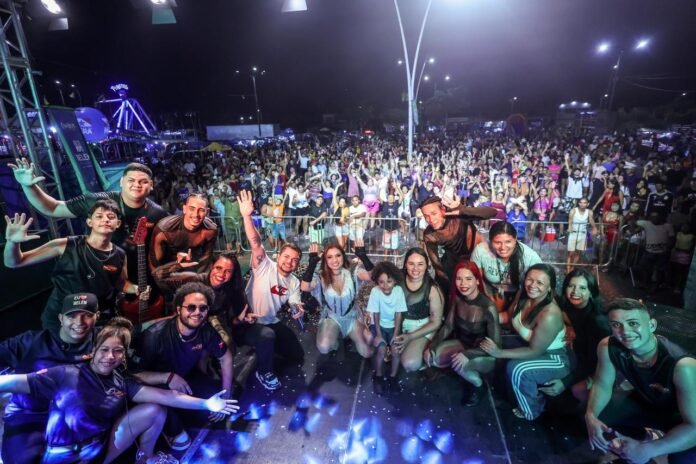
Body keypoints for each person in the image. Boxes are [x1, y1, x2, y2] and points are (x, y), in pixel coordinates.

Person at [0, 317, 238, 464]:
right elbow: (10, 382)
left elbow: (167, 396)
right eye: (104, 350)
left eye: (117, 351)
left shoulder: (121, 381)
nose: (110, 356)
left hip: (98, 452)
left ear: (124, 355)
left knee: (156, 410)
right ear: (92, 351)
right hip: (63, 457)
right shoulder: (64, 374)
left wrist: (206, 403)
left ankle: (146, 458)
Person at [8, 160, 167, 285]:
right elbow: (53, 208)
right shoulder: (94, 204)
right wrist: (29, 187)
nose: (137, 185)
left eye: (143, 181)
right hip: (94, 275)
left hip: (133, 277)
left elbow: (162, 248)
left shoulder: (158, 214)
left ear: (151, 185)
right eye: (131, 180)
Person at [585, 298, 696, 464]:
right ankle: (644, 438)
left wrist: (649, 450)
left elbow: (694, 427)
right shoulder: (607, 347)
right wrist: (591, 416)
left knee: (683, 460)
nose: (625, 331)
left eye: (633, 323)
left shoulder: (683, 366)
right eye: (616, 325)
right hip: (651, 403)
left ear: (651, 325)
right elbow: (602, 384)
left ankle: (650, 446)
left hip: (684, 419)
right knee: (599, 410)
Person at [4, 201, 145, 330]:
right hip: (62, 319)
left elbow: (120, 283)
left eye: (111, 217)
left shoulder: (120, 254)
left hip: (95, 319)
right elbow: (13, 262)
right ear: (89, 222)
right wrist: (12, 242)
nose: (105, 220)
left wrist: (136, 289)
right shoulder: (66, 244)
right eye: (99, 216)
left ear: (118, 223)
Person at [131, 282, 235, 451]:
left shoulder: (205, 330)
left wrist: (226, 393)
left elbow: (226, 357)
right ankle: (170, 429)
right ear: (179, 309)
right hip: (157, 386)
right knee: (183, 441)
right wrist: (167, 377)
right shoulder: (154, 336)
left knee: (215, 411)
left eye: (203, 308)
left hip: (187, 376)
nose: (197, 312)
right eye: (191, 307)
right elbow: (134, 374)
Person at [0, 293, 99, 464]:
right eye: (72, 316)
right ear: (61, 318)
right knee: (21, 460)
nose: (79, 322)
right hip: (30, 413)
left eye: (87, 315)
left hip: (76, 414)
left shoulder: (103, 341)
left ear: (97, 316)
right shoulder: (32, 341)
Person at [480, 263, 571, 421]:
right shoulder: (524, 294)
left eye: (540, 282)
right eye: (530, 279)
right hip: (529, 345)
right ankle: (495, 387)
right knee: (491, 338)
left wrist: (499, 352)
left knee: (516, 369)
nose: (532, 285)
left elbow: (535, 351)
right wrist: (483, 318)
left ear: (550, 288)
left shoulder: (549, 314)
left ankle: (532, 409)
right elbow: (508, 316)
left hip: (554, 357)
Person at [239, 189, 305, 391]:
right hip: (248, 322)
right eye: (286, 257)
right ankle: (264, 371)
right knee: (266, 335)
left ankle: (264, 348)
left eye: (294, 260)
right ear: (278, 256)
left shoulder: (293, 282)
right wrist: (247, 216)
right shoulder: (264, 265)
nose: (289, 262)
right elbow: (256, 242)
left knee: (297, 355)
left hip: (271, 321)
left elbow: (294, 302)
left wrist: (297, 310)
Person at [426, 260, 499, 406]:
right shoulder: (458, 299)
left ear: (477, 281)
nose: (463, 283)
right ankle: (464, 370)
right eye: (459, 279)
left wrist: (467, 354)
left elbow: (495, 346)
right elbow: (448, 326)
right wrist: (432, 346)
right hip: (463, 343)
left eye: (468, 279)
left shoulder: (488, 307)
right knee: (434, 358)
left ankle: (479, 385)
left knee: (458, 364)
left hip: (483, 353)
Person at [538, 269, 610, 406]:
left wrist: (565, 382)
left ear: (591, 292)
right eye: (571, 286)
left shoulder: (598, 321)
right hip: (576, 357)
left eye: (582, 288)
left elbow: (594, 361)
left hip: (599, 366)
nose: (575, 292)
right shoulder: (566, 305)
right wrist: (569, 324)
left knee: (576, 390)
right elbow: (549, 296)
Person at [300, 243, 373, 358]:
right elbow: (305, 287)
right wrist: (312, 263)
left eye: (338, 255)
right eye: (330, 257)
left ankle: (349, 335)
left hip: (352, 317)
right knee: (324, 347)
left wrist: (364, 257)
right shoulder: (321, 276)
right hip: (332, 318)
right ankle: (336, 339)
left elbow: (373, 276)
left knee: (367, 353)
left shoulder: (352, 272)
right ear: (325, 260)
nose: (334, 260)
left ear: (343, 256)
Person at [420, 196, 497, 294]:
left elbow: (493, 212)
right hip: (453, 262)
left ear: (442, 209)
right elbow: (437, 266)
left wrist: (463, 209)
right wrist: (450, 289)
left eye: (434, 214)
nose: (431, 219)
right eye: (426, 216)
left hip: (478, 257)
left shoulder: (458, 215)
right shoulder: (430, 234)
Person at [471, 221, 542, 323]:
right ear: (490, 241)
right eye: (497, 242)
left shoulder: (530, 257)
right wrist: (487, 298)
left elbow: (539, 288)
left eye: (508, 241)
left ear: (515, 239)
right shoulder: (481, 251)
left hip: (522, 294)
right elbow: (477, 279)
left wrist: (514, 307)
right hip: (492, 291)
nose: (503, 247)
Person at [389, 248, 445, 373]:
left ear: (426, 266)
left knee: (409, 363)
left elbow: (436, 322)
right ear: (405, 264)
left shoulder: (433, 289)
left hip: (423, 327)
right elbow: (378, 279)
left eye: (420, 264)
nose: (415, 269)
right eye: (411, 264)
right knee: (384, 349)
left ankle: (424, 358)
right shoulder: (397, 279)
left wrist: (410, 337)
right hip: (400, 322)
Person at [149, 192, 218, 281]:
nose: (196, 214)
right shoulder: (164, 229)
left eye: (201, 210)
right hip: (167, 274)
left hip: (194, 274)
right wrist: (176, 264)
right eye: (191, 208)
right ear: (184, 209)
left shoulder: (210, 230)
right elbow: (155, 266)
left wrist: (198, 282)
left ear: (207, 212)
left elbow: (205, 263)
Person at [366, 261, 408, 394]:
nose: (385, 286)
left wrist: (395, 334)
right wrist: (378, 335)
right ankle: (378, 375)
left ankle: (393, 377)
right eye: (381, 282)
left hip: (393, 326)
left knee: (395, 351)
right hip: (379, 325)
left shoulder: (398, 291)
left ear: (395, 280)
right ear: (377, 282)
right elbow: (376, 314)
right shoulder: (375, 291)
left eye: (389, 281)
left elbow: (398, 313)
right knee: (381, 350)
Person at [566, 197, 599, 273]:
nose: (582, 204)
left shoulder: (589, 212)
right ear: (578, 203)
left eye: (584, 203)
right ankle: (568, 269)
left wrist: (594, 227)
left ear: (587, 204)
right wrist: (570, 226)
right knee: (570, 253)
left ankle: (572, 268)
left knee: (578, 253)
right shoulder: (573, 210)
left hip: (582, 234)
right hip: (573, 233)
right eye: (581, 202)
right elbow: (570, 219)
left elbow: (591, 219)